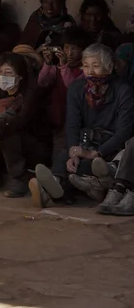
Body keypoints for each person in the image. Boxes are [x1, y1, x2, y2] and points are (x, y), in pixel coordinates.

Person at [30, 44, 134, 208]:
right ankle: (55, 183)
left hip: (109, 145)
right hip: (84, 141)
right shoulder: (77, 88)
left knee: (90, 165)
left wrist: (95, 152)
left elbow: (124, 131)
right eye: (86, 66)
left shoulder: (123, 90)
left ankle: (55, 190)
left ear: (110, 66)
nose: (90, 71)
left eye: (96, 66)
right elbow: (72, 124)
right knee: (65, 159)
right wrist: (74, 150)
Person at [0, 52, 52, 197]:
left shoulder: (31, 92)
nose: (3, 76)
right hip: (0, 141)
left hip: (33, 144)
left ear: (20, 76)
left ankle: (20, 180)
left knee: (8, 134)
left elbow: (19, 121)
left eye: (8, 72)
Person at [38, 27, 89, 130]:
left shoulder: (85, 70)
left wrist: (64, 66)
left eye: (74, 49)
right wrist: (47, 63)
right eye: (66, 48)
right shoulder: (57, 67)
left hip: (73, 118)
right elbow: (42, 82)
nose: (69, 53)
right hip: (55, 115)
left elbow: (72, 87)